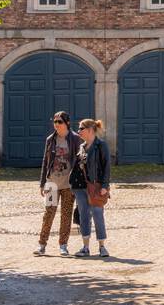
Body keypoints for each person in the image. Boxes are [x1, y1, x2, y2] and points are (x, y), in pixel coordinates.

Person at [35, 111, 81, 256]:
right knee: (49, 214)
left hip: (68, 184)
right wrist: (42, 182)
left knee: (66, 215)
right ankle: (42, 245)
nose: (56, 124)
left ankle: (63, 245)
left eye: (59, 121)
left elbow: (80, 161)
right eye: (54, 122)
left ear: (67, 123)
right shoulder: (50, 139)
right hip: (51, 183)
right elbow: (45, 161)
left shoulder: (75, 139)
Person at [71, 117, 111, 258]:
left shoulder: (101, 145)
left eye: (81, 128)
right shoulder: (81, 147)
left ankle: (102, 247)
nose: (78, 131)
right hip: (80, 186)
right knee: (83, 216)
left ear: (89, 130)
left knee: (98, 214)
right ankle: (85, 247)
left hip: (96, 186)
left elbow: (106, 167)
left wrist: (105, 185)